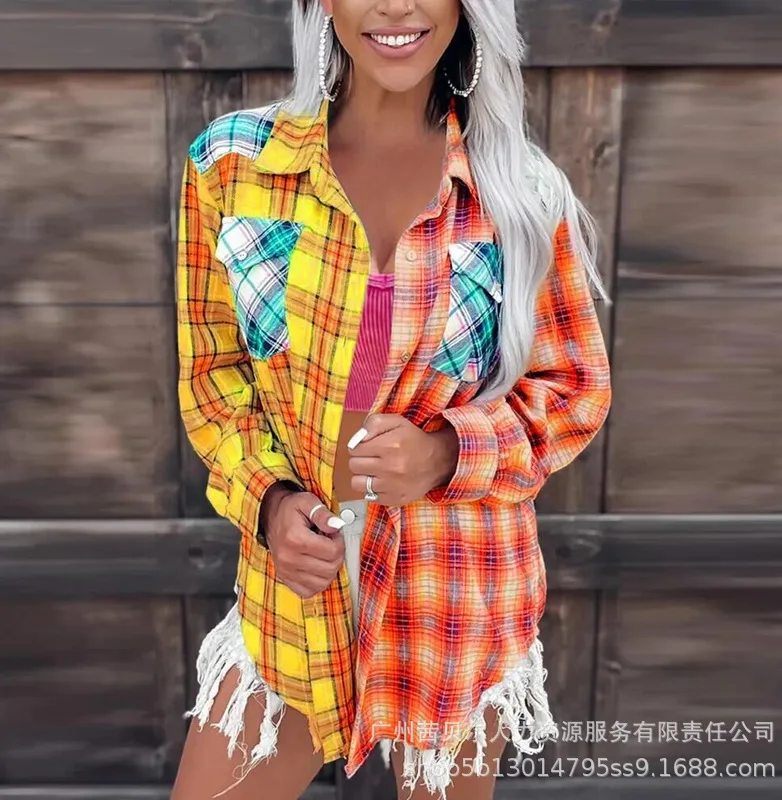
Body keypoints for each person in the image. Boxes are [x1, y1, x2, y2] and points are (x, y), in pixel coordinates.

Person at [172, 1, 611, 798]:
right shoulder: (232, 166)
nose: (398, 5)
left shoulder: (519, 192)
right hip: (297, 599)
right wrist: (268, 502)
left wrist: (445, 452)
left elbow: (573, 389)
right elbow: (214, 376)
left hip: (456, 597)